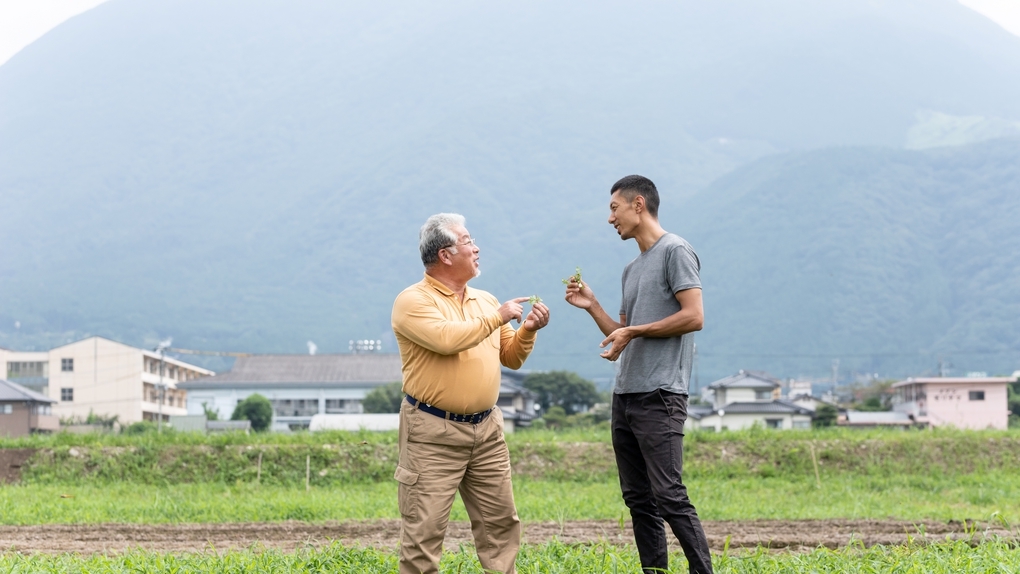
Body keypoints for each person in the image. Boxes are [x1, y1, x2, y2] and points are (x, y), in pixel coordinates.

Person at [564, 175, 713, 574]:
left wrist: (635, 330)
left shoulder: (675, 250)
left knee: (669, 495)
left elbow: (693, 316)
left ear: (638, 204)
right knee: (638, 500)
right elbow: (621, 336)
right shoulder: (632, 269)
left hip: (661, 394)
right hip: (626, 394)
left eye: (614, 208)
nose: (610, 218)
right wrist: (593, 306)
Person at [391, 212, 551, 574]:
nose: (476, 248)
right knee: (424, 533)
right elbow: (447, 340)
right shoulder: (413, 301)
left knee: (501, 527)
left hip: (487, 431)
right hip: (432, 434)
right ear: (446, 254)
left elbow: (510, 357)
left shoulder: (484, 300)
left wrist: (527, 328)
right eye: (468, 242)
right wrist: (498, 316)